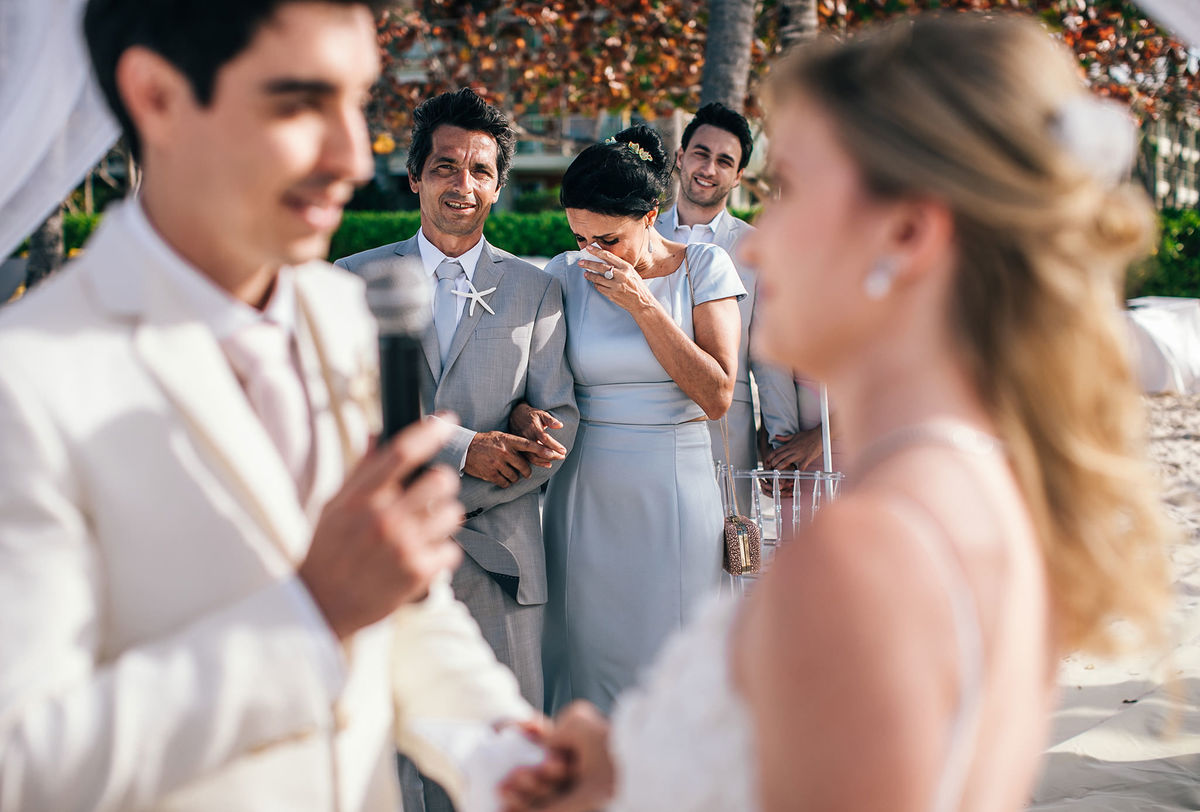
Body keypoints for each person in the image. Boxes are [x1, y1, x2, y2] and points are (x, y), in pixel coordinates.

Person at [499, 13, 1172, 812]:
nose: (759, 237)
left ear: (908, 234)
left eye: (800, 191)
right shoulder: (971, 492)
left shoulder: (865, 552)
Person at [0, 3, 534, 810]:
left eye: (355, 102)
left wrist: (507, 755)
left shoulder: (341, 314)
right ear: (156, 97)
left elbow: (398, 607)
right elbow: (24, 761)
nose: (354, 158)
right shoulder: (27, 382)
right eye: (298, 104)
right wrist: (310, 616)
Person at [336, 87, 578, 811]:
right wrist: (466, 449)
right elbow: (349, 421)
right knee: (387, 761)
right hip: (386, 554)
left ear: (500, 185)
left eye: (479, 171)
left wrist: (520, 448)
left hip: (503, 561)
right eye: (445, 167)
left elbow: (559, 421)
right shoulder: (352, 281)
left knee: (499, 764)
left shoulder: (536, 291)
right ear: (414, 175)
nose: (461, 186)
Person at [531, 124, 745, 715]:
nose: (592, 253)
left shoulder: (704, 266)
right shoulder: (562, 273)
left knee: (670, 655)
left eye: (609, 238)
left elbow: (718, 393)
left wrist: (643, 305)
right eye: (580, 237)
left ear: (650, 215)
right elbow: (539, 385)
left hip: (675, 487)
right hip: (587, 487)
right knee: (587, 652)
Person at [655, 102, 822, 510]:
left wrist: (780, 445)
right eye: (700, 153)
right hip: (646, 420)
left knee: (726, 556)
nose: (708, 169)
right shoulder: (639, 231)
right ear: (680, 157)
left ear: (738, 175)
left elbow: (769, 356)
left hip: (727, 429)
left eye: (724, 161)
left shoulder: (757, 249)